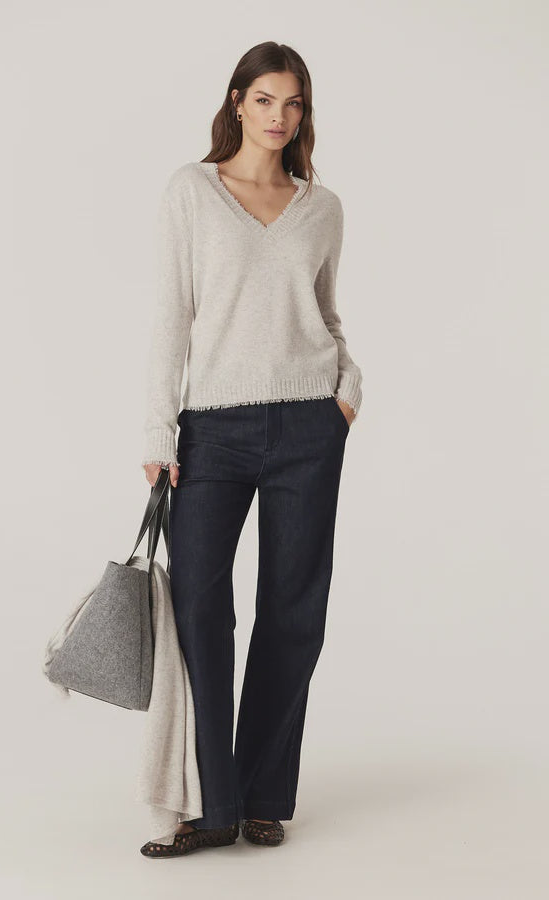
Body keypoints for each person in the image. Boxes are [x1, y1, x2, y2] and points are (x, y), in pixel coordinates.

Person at [139, 41, 363, 859]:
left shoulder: (322, 206)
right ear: (237, 101)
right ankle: (211, 805)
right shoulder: (192, 191)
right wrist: (158, 432)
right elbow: (170, 316)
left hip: (309, 425)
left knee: (293, 613)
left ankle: (266, 797)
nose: (279, 116)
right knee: (200, 610)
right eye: (265, 99)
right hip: (213, 431)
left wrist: (347, 392)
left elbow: (327, 315)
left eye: (293, 103)